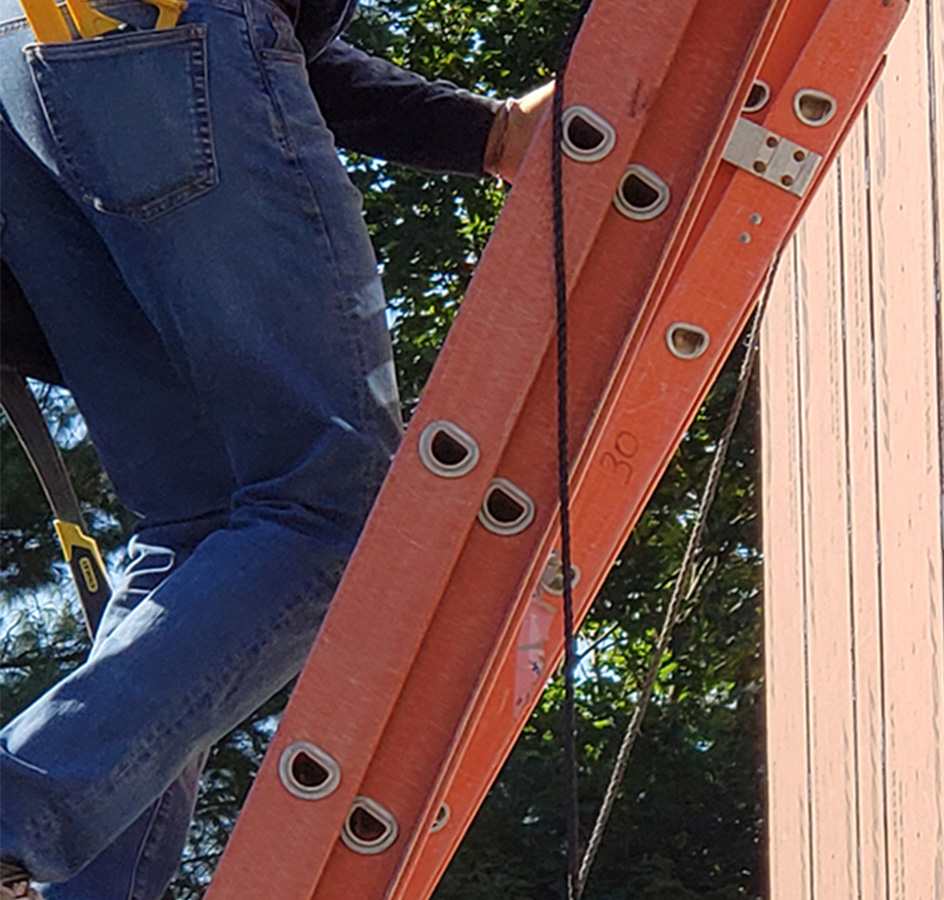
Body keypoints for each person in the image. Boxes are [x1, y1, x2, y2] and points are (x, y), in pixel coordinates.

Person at [0, 0, 548, 894]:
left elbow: (223, 63)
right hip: (156, 37)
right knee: (338, 509)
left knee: (201, 528)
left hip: (23, 73)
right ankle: (14, 814)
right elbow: (208, 54)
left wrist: (481, 133)